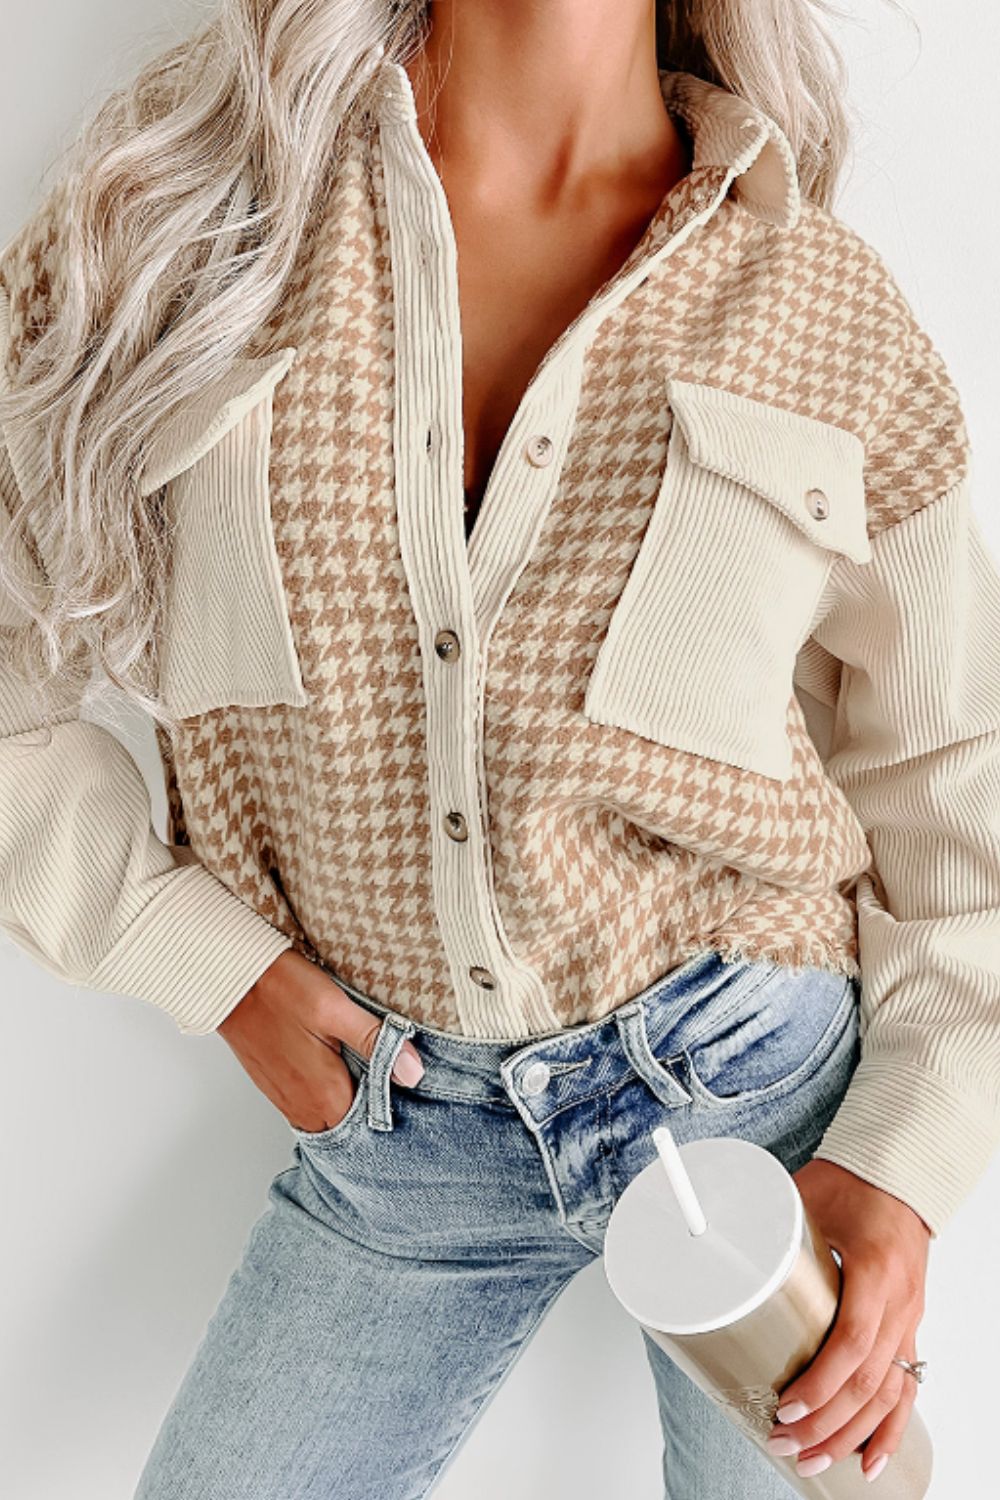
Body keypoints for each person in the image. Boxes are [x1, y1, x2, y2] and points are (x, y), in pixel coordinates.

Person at [1, 1, 997, 1495]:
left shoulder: (820, 304)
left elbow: (953, 780)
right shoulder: (177, 222)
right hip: (396, 1120)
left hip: (760, 1099)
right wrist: (197, 958)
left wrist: (903, 1166)